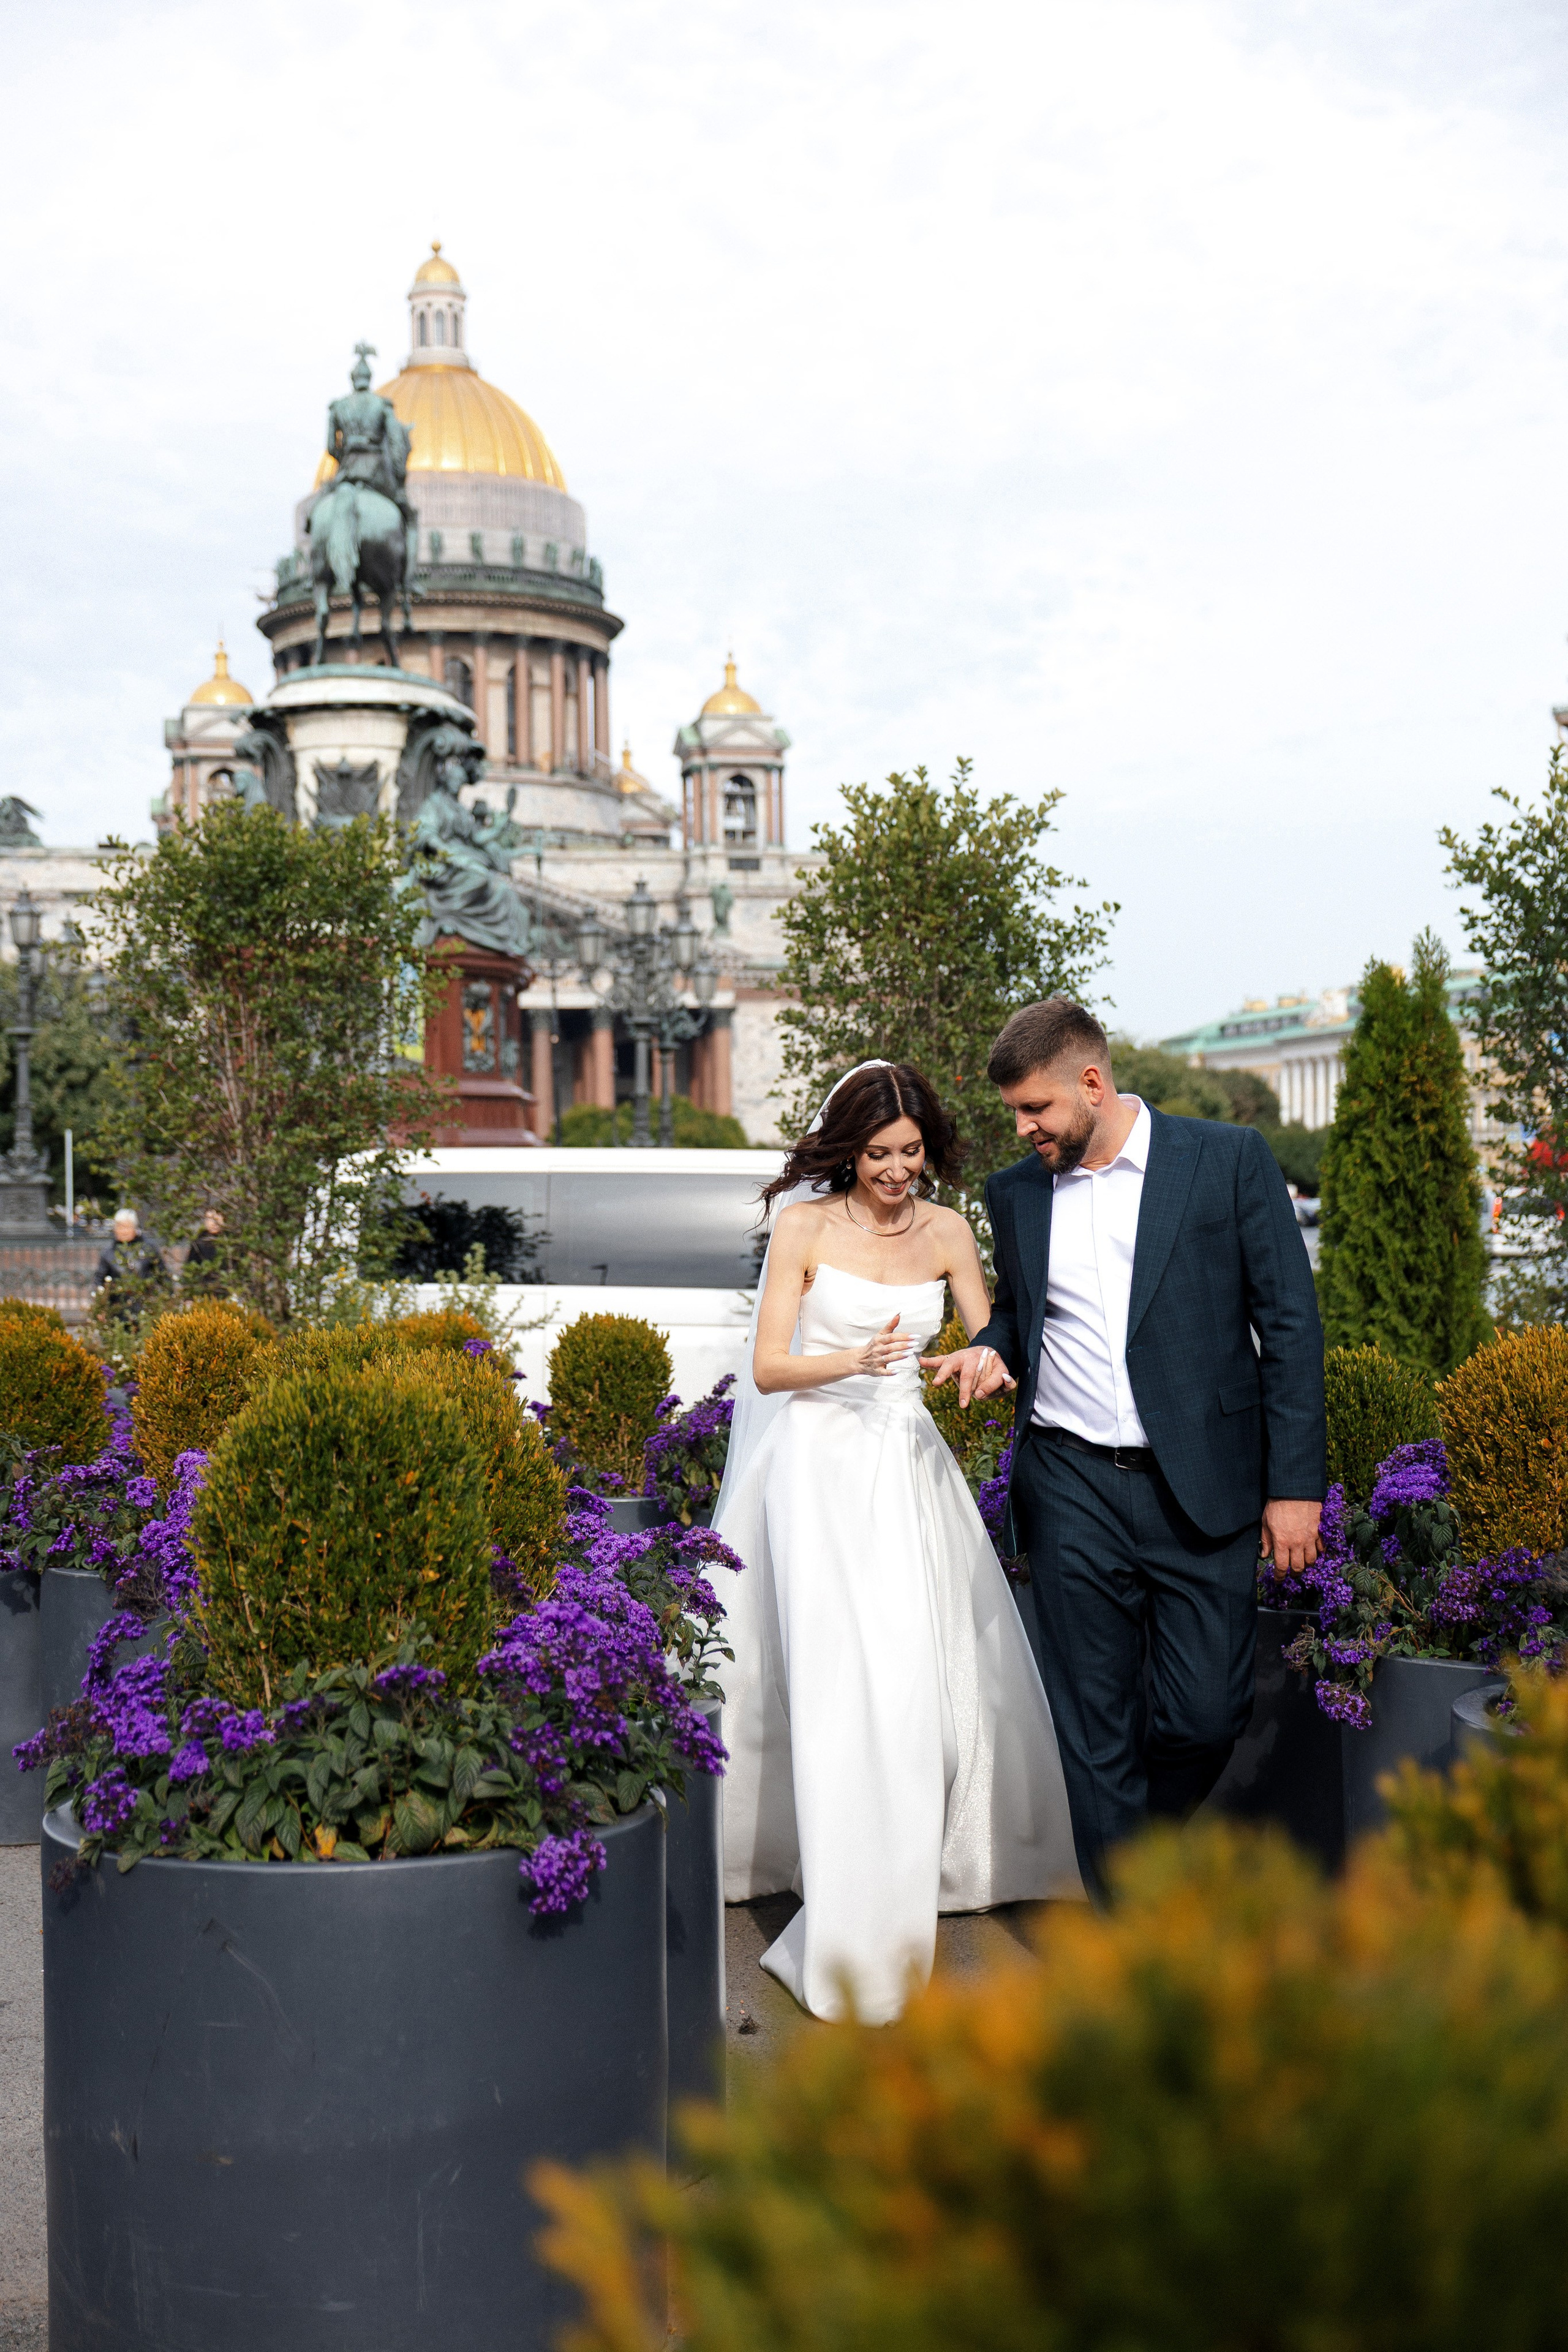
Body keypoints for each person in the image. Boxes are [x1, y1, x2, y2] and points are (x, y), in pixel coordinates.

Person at [925, 999, 1326, 1899]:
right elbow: (1026, 1316)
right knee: (1093, 1723)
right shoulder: (1017, 1192)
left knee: (1204, 1714)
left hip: (1202, 1484)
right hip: (1068, 1484)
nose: (1024, 1130)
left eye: (1036, 1109)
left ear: (1093, 1084)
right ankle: (1126, 1937)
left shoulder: (1226, 1162)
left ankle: (1136, 1846)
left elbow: (1291, 1328)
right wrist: (993, 1349)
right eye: (1016, 1114)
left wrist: (1295, 1487)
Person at [715, 1061, 1082, 2025]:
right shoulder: (804, 1227)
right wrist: (854, 1361)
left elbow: (992, 1335)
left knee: (915, 1672)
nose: (895, 1171)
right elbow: (767, 1365)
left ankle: (917, 1862)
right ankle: (827, 1878)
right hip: (815, 1472)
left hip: (908, 1469)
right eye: (878, 1154)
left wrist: (985, 1361)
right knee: (835, 1675)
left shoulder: (950, 1230)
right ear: (848, 1149)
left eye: (911, 1152)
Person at [94, 1209, 163, 1313]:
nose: (124, 1231)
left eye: (127, 1227)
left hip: (146, 1307)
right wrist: (100, 1307)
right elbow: (99, 1281)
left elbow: (163, 1276)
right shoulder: (108, 1254)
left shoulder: (148, 1250)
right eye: (120, 1227)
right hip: (118, 1309)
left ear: (135, 1228)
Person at [186, 1207, 226, 1293]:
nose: (214, 1223)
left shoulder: (233, 1242)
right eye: (210, 1219)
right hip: (206, 1291)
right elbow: (191, 1271)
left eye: (217, 1219)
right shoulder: (198, 1243)